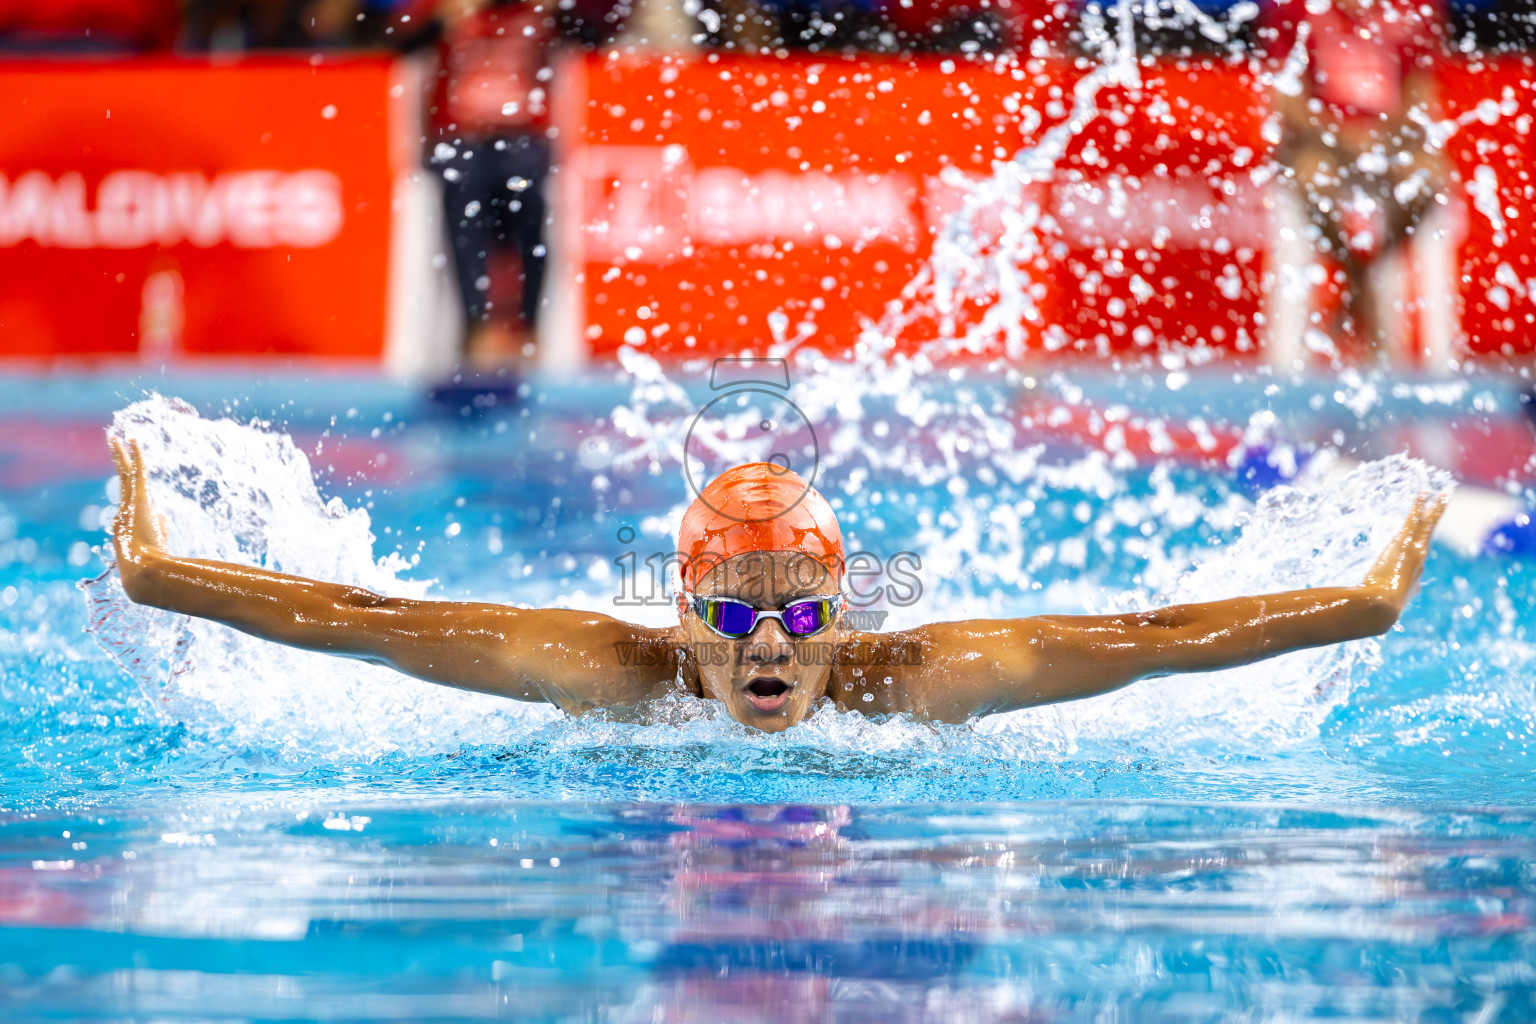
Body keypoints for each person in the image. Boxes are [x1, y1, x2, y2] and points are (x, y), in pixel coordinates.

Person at [108, 443, 1446, 734]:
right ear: (681, 617)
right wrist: (159, 570)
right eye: (734, 617)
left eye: (799, 615)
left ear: (843, 616)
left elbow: (1152, 639)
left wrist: (1367, 600)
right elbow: (366, 624)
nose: (768, 646)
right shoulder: (600, 666)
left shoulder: (920, 680)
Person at [1258, 0, 1452, 364]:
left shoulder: (1415, 8)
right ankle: (1362, 285)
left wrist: (1378, 137)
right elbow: (1288, 102)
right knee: (1310, 176)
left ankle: (1362, 289)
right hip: (1321, 143)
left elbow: (1420, 95)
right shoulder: (1293, 9)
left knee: (1429, 176)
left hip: (1390, 142)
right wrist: (1341, 135)